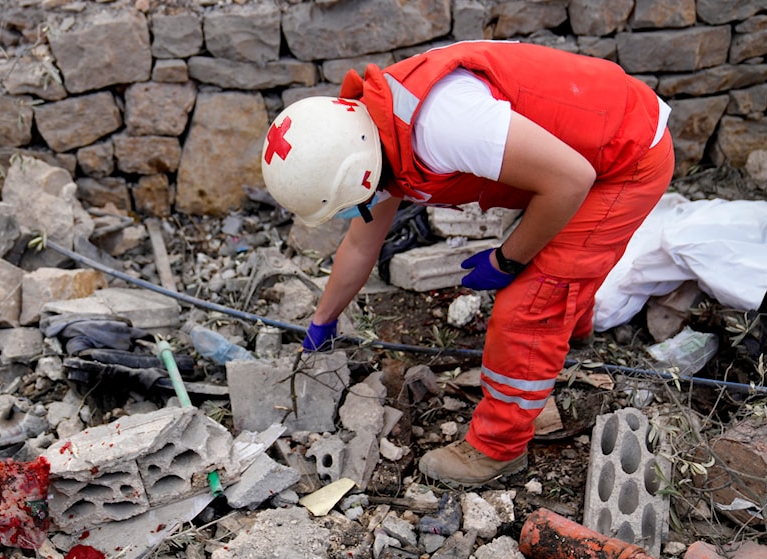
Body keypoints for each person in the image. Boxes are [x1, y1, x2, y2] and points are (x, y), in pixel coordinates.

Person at [260, 40, 674, 486]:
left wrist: (508, 259)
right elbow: (362, 245)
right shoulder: (373, 131)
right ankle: (570, 339)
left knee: (529, 306)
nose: (352, 212)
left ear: (358, 172)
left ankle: (496, 451)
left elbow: (570, 181)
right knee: (557, 275)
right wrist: (323, 321)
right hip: (577, 152)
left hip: (624, 154)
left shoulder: (445, 125)